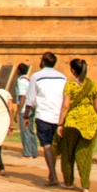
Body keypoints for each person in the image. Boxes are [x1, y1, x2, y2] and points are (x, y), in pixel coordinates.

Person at [56, 58, 97, 192]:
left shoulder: (70, 85)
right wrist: (94, 119)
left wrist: (60, 123)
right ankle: (85, 185)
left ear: (73, 70)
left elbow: (65, 105)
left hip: (72, 122)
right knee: (85, 154)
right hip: (89, 122)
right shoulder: (93, 85)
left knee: (68, 153)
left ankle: (69, 182)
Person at [27, 52, 68, 185]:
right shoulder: (63, 77)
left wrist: (25, 115)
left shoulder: (36, 77)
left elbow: (31, 99)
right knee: (54, 147)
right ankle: (52, 173)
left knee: (47, 146)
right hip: (60, 116)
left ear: (43, 62)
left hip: (44, 115)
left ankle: (54, 175)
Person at [11, 63, 39, 158]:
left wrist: (17, 112)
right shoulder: (29, 80)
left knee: (25, 130)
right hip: (31, 107)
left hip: (24, 109)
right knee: (30, 130)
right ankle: (34, 151)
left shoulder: (22, 81)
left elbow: (23, 97)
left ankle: (27, 152)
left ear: (19, 71)